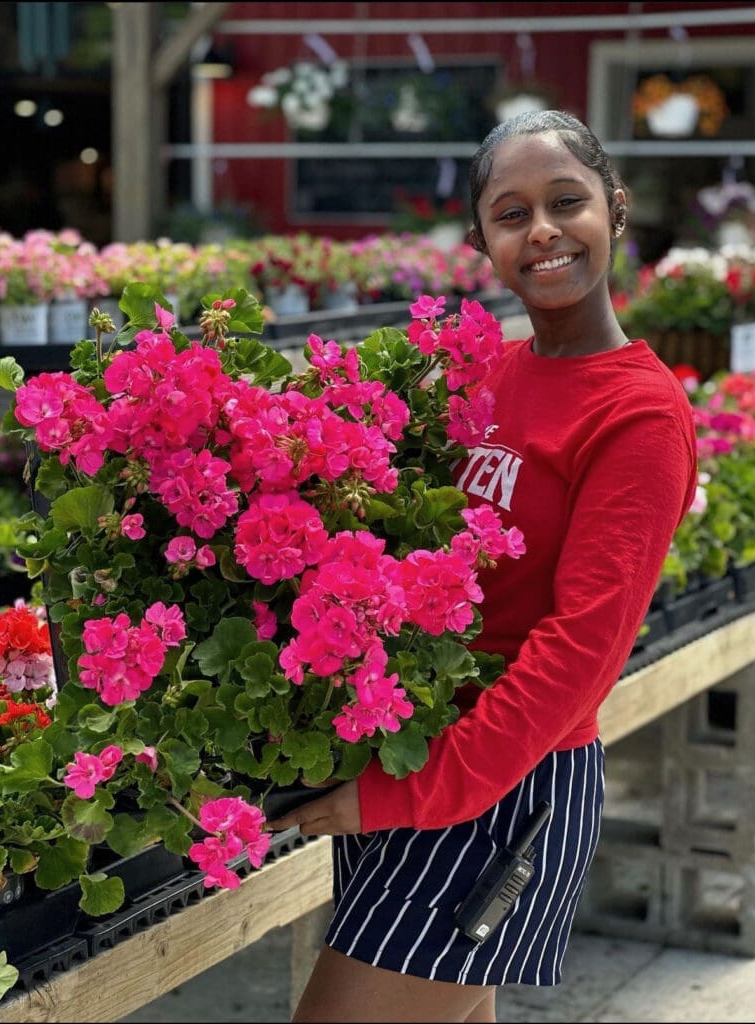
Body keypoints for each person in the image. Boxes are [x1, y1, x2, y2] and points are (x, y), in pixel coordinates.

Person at [266, 110, 698, 1023]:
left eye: (566, 202)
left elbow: (582, 650)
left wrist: (412, 790)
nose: (541, 230)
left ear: (614, 212)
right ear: (483, 243)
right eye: (511, 214)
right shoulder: (487, 376)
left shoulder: (638, 415)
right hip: (421, 751)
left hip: (503, 789)